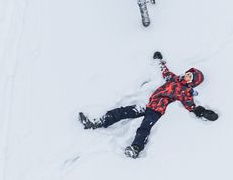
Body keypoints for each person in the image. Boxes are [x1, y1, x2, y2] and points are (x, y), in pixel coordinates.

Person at [78, 51, 218, 158]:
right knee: (122, 111)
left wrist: (202, 112)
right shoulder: (174, 78)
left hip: (156, 111)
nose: (187, 76)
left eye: (190, 77)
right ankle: (97, 122)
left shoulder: (185, 91)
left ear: (192, 82)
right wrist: (159, 61)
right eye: (188, 74)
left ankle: (135, 148)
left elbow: (190, 105)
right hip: (148, 104)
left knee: (144, 128)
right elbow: (165, 72)